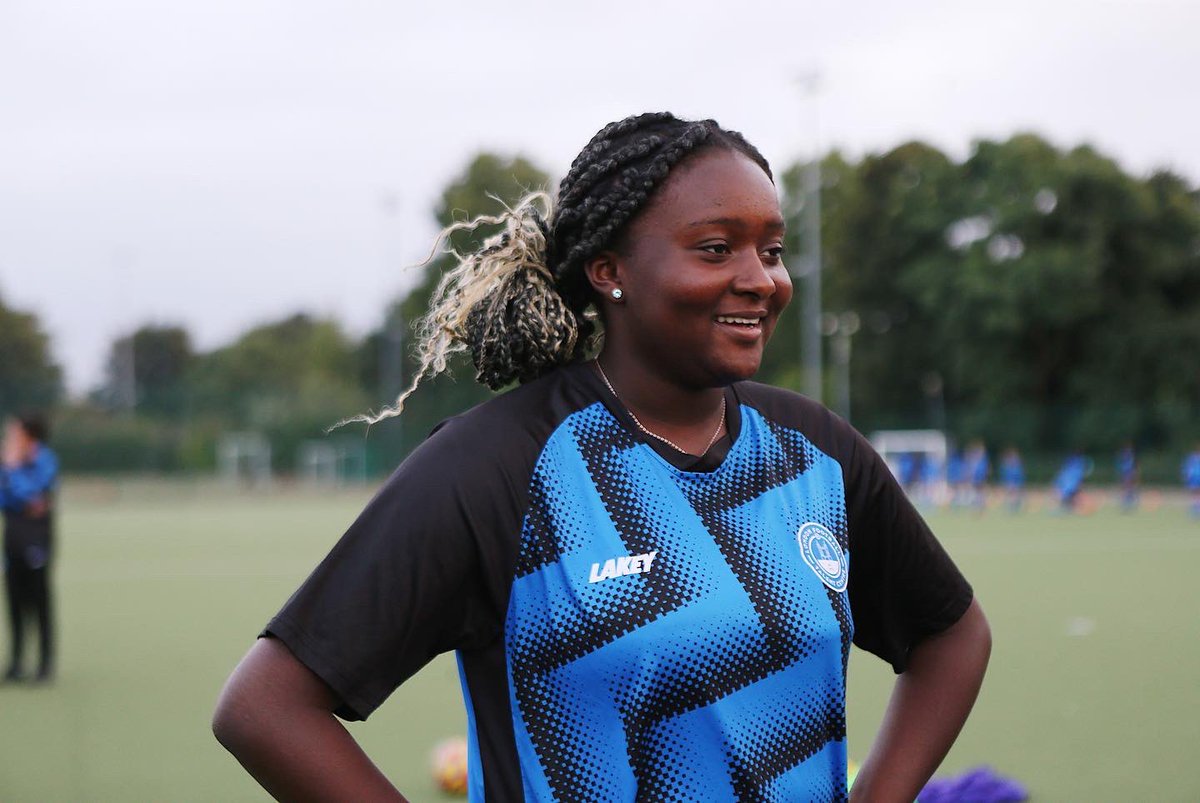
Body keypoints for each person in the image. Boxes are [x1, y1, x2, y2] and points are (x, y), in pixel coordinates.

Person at [213, 112, 991, 802]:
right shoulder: (500, 466)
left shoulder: (814, 450)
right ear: (609, 270)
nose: (761, 280)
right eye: (717, 248)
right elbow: (266, 707)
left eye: (773, 249)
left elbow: (952, 634)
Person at [1, 412, 59, 683]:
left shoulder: (44, 459)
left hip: (37, 537)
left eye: (14, 433)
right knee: (13, 598)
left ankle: (45, 665)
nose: (9, 437)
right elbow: (10, 499)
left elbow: (37, 497)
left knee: (39, 599)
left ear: (28, 434)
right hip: (13, 534)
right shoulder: (8, 462)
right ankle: (16, 663)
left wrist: (13, 473)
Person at [998, 446, 1025, 513]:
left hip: (1015, 483)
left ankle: (1013, 508)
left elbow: (1019, 476)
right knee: (1011, 496)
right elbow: (1005, 475)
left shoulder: (1017, 467)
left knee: (1014, 496)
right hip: (1010, 483)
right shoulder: (1008, 467)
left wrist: (1015, 484)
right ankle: (1012, 507)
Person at [1115, 442, 1138, 513]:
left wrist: (1132, 474)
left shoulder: (1129, 457)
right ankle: (1127, 502)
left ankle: (1128, 502)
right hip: (1126, 474)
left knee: (1128, 488)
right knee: (1127, 488)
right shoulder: (1126, 457)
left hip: (1128, 474)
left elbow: (1132, 468)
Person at [1183, 445, 1200, 518]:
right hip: (1194, 479)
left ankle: (1196, 509)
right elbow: (1188, 468)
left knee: (1197, 494)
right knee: (1194, 493)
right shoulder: (1192, 458)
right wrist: (1187, 476)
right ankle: (1195, 509)